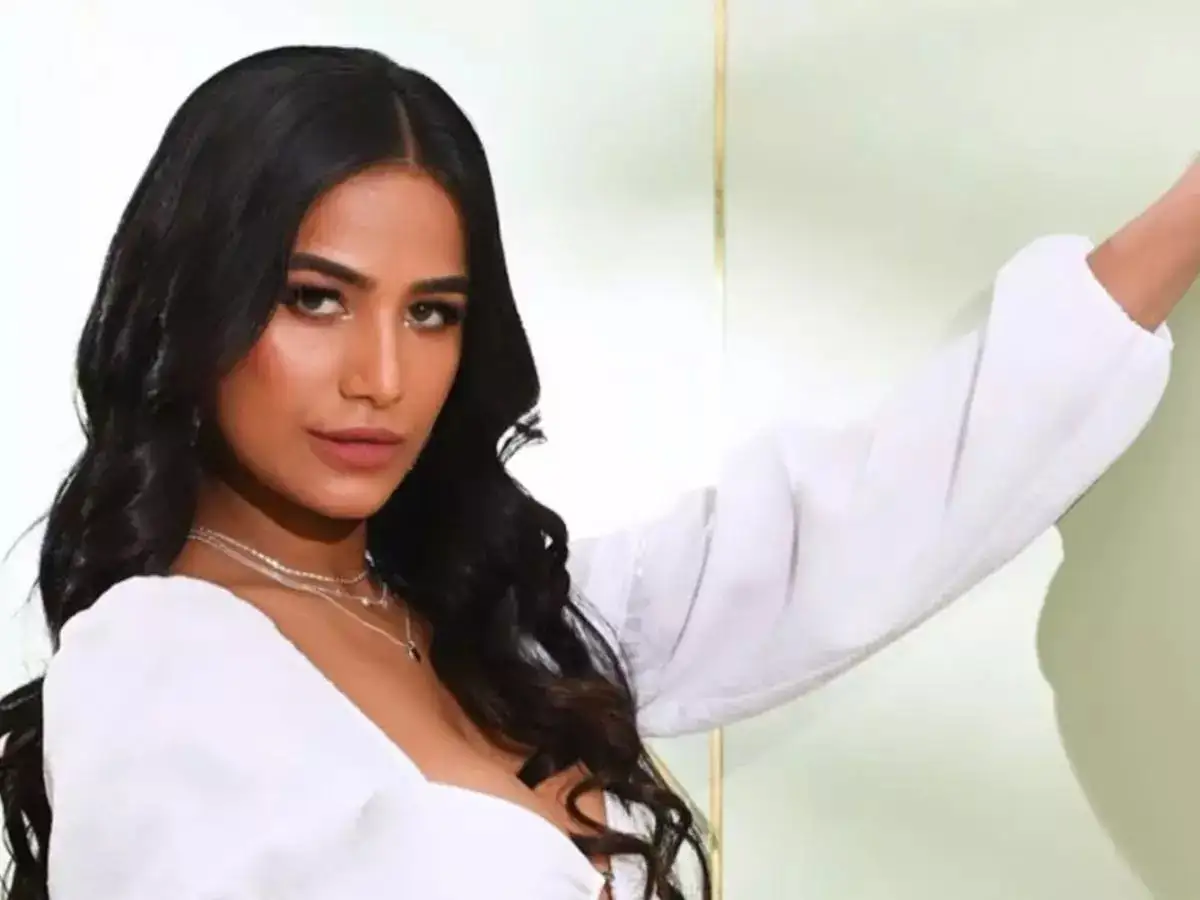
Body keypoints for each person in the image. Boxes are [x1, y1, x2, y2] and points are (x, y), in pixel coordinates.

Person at [0, 43, 1192, 900]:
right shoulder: (155, 665)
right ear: (198, 303)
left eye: (431, 313)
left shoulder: (499, 626)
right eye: (317, 300)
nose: (381, 377)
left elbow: (856, 523)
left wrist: (1182, 221)